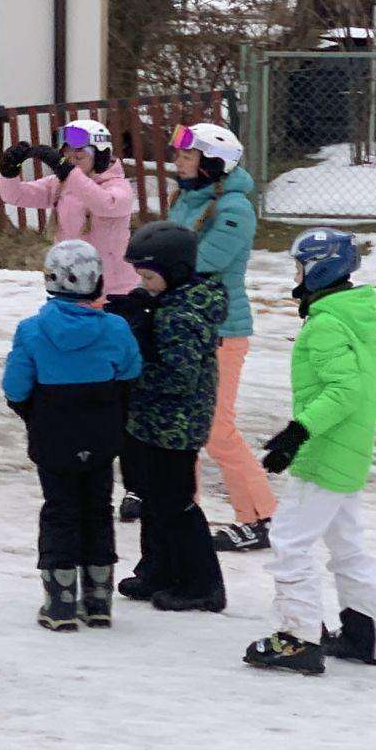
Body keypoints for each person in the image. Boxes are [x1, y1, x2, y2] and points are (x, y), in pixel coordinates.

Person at [245, 229, 376, 675]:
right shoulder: (351, 314)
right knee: (346, 544)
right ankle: (368, 634)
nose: (295, 275)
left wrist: (298, 432)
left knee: (290, 540)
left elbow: (345, 389)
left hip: (326, 449)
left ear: (320, 269)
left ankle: (297, 637)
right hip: (348, 447)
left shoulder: (328, 323)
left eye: (299, 267)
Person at [1, 239, 141, 631]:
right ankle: (98, 598)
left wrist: (32, 412)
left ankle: (60, 601)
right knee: (98, 507)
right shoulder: (115, 328)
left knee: (59, 509)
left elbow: (15, 388)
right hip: (100, 434)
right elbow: (130, 372)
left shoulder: (31, 331)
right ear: (97, 281)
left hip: (53, 434)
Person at [108, 221, 230, 614]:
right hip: (152, 421)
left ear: (174, 272)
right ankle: (158, 569)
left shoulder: (183, 315)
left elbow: (179, 377)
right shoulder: (167, 303)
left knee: (175, 503)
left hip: (174, 426)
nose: (142, 283)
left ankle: (201, 584)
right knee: (152, 498)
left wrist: (132, 369)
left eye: (148, 276)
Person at [168, 120, 274, 551]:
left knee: (216, 430)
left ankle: (262, 517)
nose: (178, 161)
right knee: (183, 427)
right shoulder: (188, 198)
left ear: (213, 164)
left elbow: (200, 260)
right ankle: (181, 513)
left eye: (187, 155)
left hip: (221, 332)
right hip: (188, 325)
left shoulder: (234, 209)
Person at [0, 119, 139, 298]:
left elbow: (105, 205)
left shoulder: (118, 187)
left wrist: (69, 172)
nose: (72, 162)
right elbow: (15, 196)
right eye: (68, 157)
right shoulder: (60, 185)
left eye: (79, 157)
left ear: (101, 158)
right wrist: (8, 173)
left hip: (113, 291)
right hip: (71, 286)